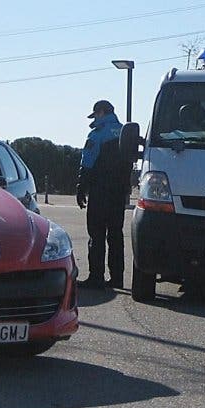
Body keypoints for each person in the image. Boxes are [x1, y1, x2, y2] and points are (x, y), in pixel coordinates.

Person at [76, 99, 128, 289]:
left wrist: (81, 187)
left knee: (96, 234)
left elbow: (88, 161)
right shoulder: (124, 132)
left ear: (102, 112)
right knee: (116, 235)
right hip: (119, 193)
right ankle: (117, 278)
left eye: (96, 114)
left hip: (100, 191)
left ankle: (96, 277)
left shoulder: (97, 134)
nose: (95, 118)